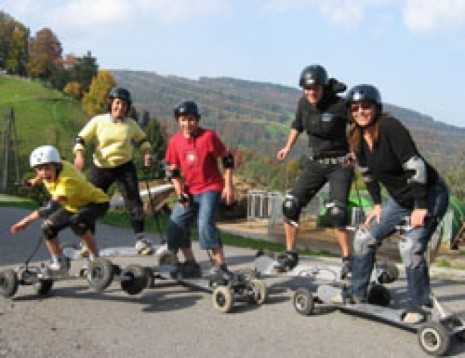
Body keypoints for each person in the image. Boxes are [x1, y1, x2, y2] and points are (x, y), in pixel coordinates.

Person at [345, 84, 449, 324]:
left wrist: (421, 206)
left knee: (410, 246)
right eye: (355, 107)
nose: (361, 111)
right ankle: (358, 294)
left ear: (376, 107)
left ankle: (419, 306)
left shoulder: (390, 127)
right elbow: (367, 173)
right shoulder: (356, 136)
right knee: (363, 238)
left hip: (429, 194)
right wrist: (378, 204)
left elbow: (416, 167)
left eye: (366, 106)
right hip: (400, 200)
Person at [276, 64, 353, 276]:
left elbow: (359, 125)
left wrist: (357, 152)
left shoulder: (339, 105)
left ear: (323, 87)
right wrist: (287, 147)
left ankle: (348, 258)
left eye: (315, 88)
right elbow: (297, 125)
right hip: (317, 162)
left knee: (337, 212)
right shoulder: (304, 103)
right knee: (291, 205)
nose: (311, 93)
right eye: (307, 88)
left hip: (340, 163)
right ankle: (290, 253)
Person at [74, 87, 153, 255]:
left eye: (124, 104)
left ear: (128, 107)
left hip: (125, 167)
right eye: (117, 103)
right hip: (101, 167)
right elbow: (81, 138)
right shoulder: (98, 121)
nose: (120, 107)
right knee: (90, 203)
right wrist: (79, 156)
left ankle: (140, 239)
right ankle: (88, 242)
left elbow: (144, 140)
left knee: (134, 202)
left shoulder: (131, 124)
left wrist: (147, 154)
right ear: (111, 103)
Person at [10, 145, 109, 277]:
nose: (44, 173)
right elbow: (41, 173)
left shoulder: (67, 180)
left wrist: (25, 221)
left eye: (47, 169)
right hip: (73, 206)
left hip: (96, 203)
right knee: (47, 228)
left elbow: (50, 208)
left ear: (56, 166)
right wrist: (33, 181)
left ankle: (95, 259)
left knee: (76, 221)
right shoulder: (53, 169)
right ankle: (59, 263)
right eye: (39, 169)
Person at [164, 100, 235, 279]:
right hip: (190, 190)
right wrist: (180, 193)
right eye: (183, 120)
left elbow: (227, 160)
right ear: (178, 121)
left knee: (204, 224)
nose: (187, 124)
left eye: (191, 119)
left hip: (211, 187)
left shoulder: (208, 137)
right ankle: (190, 263)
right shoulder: (175, 141)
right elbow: (173, 170)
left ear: (197, 119)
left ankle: (221, 266)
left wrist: (228, 186)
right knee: (176, 223)